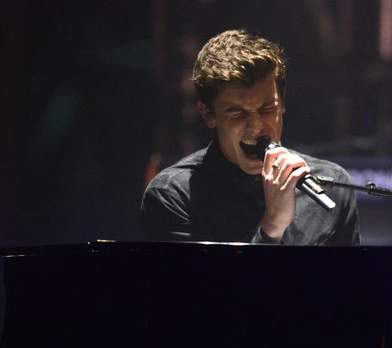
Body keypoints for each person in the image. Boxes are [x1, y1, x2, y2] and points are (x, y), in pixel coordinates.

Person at [141, 29, 360, 245]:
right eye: (237, 113)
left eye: (267, 109)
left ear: (282, 105)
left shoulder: (333, 185)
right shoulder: (172, 196)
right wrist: (272, 226)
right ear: (208, 114)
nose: (256, 127)